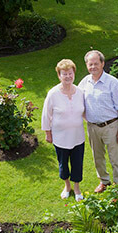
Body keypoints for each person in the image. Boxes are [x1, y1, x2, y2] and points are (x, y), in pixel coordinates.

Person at [78, 50, 118, 193]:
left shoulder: (113, 83)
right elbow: (77, 101)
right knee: (97, 158)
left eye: (96, 64)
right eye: (90, 64)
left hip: (111, 126)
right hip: (92, 127)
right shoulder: (84, 82)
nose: (93, 67)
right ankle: (104, 181)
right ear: (87, 65)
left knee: (115, 159)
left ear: (102, 64)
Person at [42, 59, 86, 201]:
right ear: (59, 76)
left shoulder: (80, 92)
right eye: (64, 74)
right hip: (60, 137)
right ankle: (67, 186)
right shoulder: (53, 94)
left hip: (78, 136)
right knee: (63, 164)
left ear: (74, 74)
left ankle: (77, 188)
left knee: (77, 163)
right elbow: (46, 114)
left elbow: (85, 112)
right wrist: (48, 133)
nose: (68, 76)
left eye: (70, 73)